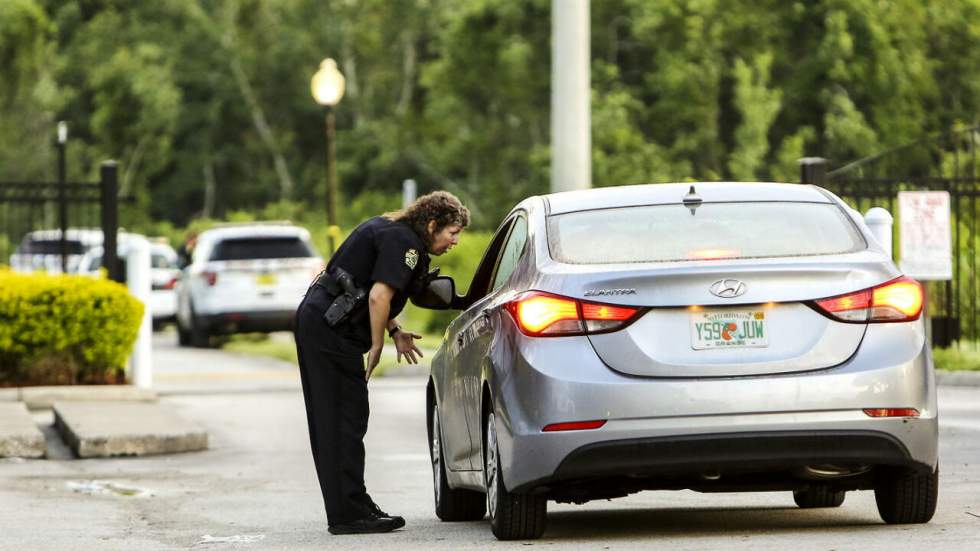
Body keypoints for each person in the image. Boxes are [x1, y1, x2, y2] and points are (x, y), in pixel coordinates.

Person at [294, 190, 469, 535]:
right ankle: (348, 514)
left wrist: (394, 330)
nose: (455, 242)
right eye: (452, 232)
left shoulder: (393, 229)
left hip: (323, 323)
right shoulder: (404, 243)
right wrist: (376, 345)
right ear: (432, 224)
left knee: (343, 417)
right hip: (331, 331)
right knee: (343, 418)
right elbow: (378, 295)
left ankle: (353, 505)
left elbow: (371, 287)